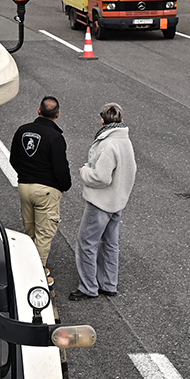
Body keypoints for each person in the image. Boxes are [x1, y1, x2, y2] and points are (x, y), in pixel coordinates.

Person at [69, 103, 137, 301]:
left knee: (86, 243)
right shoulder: (125, 141)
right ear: (121, 119)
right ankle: (108, 283)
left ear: (102, 120)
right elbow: (131, 169)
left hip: (101, 203)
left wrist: (84, 172)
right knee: (110, 243)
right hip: (117, 201)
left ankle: (88, 287)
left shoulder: (108, 144)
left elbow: (102, 177)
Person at [9, 96, 70, 276]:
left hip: (24, 186)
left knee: (30, 231)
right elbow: (60, 169)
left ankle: (27, 264)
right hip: (45, 191)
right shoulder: (55, 137)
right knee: (44, 234)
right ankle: (37, 273)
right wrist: (64, 185)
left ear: (39, 110)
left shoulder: (22, 130)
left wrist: (25, 174)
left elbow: (14, 159)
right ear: (57, 114)